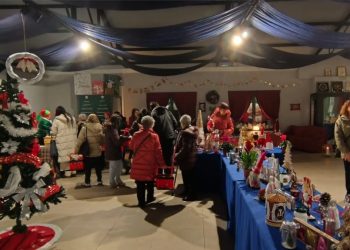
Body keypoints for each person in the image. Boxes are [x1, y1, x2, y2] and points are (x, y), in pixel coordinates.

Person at [129, 116, 165, 208]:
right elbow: (158, 152)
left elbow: (131, 147)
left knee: (140, 184)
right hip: (150, 163)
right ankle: (150, 198)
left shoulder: (136, 134)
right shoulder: (154, 136)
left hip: (138, 163)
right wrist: (162, 164)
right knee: (150, 181)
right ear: (152, 125)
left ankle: (141, 202)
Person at [76, 114, 105, 187]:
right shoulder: (100, 126)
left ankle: (87, 182)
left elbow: (80, 141)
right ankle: (99, 181)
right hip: (98, 150)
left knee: (87, 168)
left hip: (88, 151)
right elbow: (103, 139)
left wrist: (76, 150)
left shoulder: (84, 128)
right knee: (98, 167)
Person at [174, 115, 198, 201]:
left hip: (187, 158)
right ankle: (186, 190)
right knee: (187, 176)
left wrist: (176, 156)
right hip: (191, 157)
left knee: (189, 177)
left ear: (183, 123)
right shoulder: (193, 129)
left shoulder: (186, 133)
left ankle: (191, 195)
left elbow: (185, 149)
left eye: (181, 123)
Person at [51, 106, 77, 177]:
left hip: (62, 141)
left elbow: (53, 132)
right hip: (72, 140)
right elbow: (76, 130)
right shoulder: (72, 119)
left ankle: (67, 173)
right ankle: (73, 171)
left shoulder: (56, 120)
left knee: (64, 157)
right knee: (71, 156)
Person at [150, 101, 178, 166]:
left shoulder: (153, 114)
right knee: (170, 156)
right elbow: (175, 123)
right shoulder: (167, 111)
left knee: (162, 156)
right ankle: (170, 172)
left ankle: (164, 173)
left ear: (151, 108)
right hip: (171, 137)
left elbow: (153, 128)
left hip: (161, 138)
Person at [105, 114, 127, 188]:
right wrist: (125, 139)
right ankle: (112, 181)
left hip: (112, 150)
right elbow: (116, 142)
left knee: (118, 166)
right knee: (114, 167)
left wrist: (121, 137)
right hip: (113, 151)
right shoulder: (113, 129)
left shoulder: (111, 128)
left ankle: (117, 179)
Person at [335, 100, 350, 201]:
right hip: (347, 153)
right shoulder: (340, 121)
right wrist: (346, 152)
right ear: (347, 107)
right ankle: (349, 194)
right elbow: (338, 138)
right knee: (349, 173)